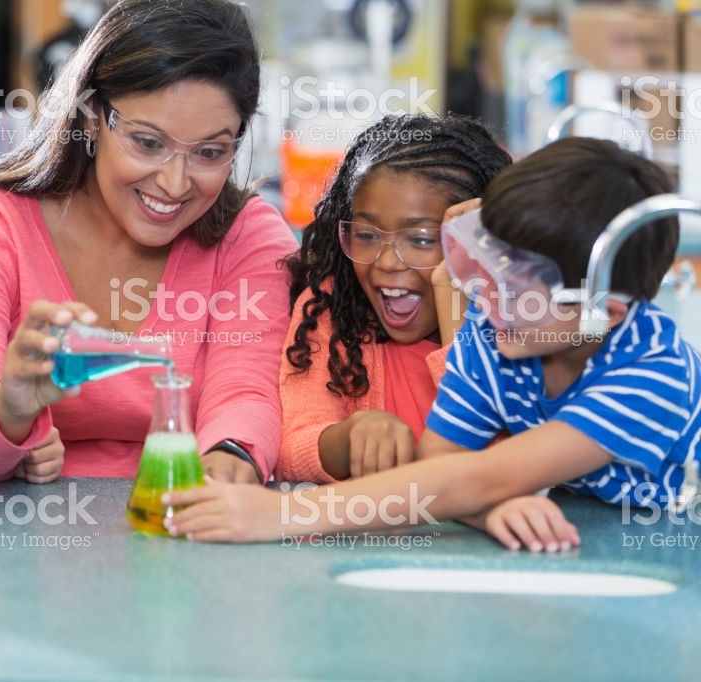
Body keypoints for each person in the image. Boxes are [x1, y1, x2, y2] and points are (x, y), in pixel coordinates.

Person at [164, 138, 697, 551]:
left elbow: (483, 473)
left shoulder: (651, 373)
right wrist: (486, 511)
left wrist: (282, 516)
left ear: (601, 314)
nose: (488, 303)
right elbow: (441, 465)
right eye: (487, 275)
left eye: (518, 294)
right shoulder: (500, 336)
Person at [0, 0, 297, 483]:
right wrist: (8, 405)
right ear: (91, 115)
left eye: (210, 152)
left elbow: (245, 396)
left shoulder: (249, 237)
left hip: (178, 517)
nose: (175, 184)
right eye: (148, 143)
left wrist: (228, 465)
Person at [276, 114, 511, 484]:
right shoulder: (333, 308)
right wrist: (349, 437)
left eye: (420, 239)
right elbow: (288, 449)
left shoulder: (523, 325)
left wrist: (457, 308)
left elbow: (503, 461)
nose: (385, 262)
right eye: (366, 235)